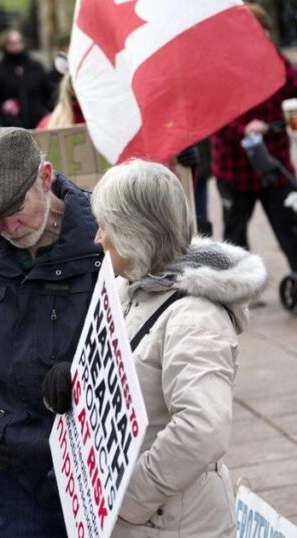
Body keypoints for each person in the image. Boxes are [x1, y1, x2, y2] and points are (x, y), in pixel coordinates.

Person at [42, 160, 267, 537]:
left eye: (106, 227)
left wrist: (130, 499)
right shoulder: (127, 284)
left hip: (174, 523)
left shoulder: (195, 318)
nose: (97, 238)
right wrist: (75, 379)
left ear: (134, 234)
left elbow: (201, 430)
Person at [0, 127, 102, 537]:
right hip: (17, 466)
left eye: (16, 207)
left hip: (99, 459)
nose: (8, 225)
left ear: (45, 178)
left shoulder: (104, 237)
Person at [211, 3, 297, 282]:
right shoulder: (222, 70)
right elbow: (216, 116)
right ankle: (237, 287)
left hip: (274, 165)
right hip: (235, 170)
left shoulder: (280, 66)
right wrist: (244, 130)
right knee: (235, 237)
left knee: (290, 226)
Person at [0, 29, 52, 128]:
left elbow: (48, 92)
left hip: (37, 122)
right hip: (10, 125)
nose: (16, 46)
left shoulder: (36, 66)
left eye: (18, 42)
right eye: (12, 43)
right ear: (5, 45)